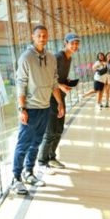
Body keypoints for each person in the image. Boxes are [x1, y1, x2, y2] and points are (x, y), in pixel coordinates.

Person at [10, 25, 65, 195]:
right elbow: (21, 84)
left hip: (45, 107)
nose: (42, 38)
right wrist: (22, 108)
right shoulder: (26, 57)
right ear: (33, 37)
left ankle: (29, 172)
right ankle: (16, 178)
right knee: (23, 144)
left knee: (36, 144)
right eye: (39, 35)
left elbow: (54, 83)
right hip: (31, 109)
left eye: (45, 35)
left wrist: (59, 103)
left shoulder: (51, 57)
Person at [38, 32, 79, 173]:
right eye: (72, 43)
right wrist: (60, 86)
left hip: (60, 97)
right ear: (65, 43)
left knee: (59, 130)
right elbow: (47, 77)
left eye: (76, 43)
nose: (75, 45)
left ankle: (51, 157)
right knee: (50, 132)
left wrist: (66, 82)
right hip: (50, 98)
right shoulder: (58, 57)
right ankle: (42, 162)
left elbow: (58, 77)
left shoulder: (69, 58)